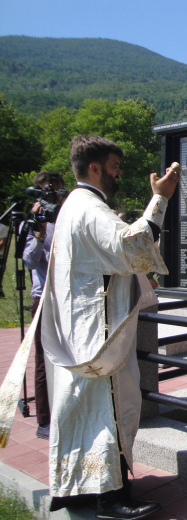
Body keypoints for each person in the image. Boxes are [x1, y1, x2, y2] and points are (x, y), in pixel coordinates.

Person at [40, 135, 179, 519]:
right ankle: (112, 496)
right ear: (95, 168)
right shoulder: (90, 208)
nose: (119, 174)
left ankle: (77, 489)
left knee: (80, 409)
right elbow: (131, 247)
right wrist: (161, 198)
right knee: (112, 406)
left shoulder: (72, 205)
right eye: (115, 167)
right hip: (100, 335)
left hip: (77, 330)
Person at [22, 171, 67, 440]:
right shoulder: (33, 221)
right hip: (43, 297)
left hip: (65, 295)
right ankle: (44, 419)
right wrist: (39, 236)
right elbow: (29, 260)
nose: (55, 197)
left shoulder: (63, 218)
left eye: (58, 192)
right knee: (44, 360)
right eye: (49, 192)